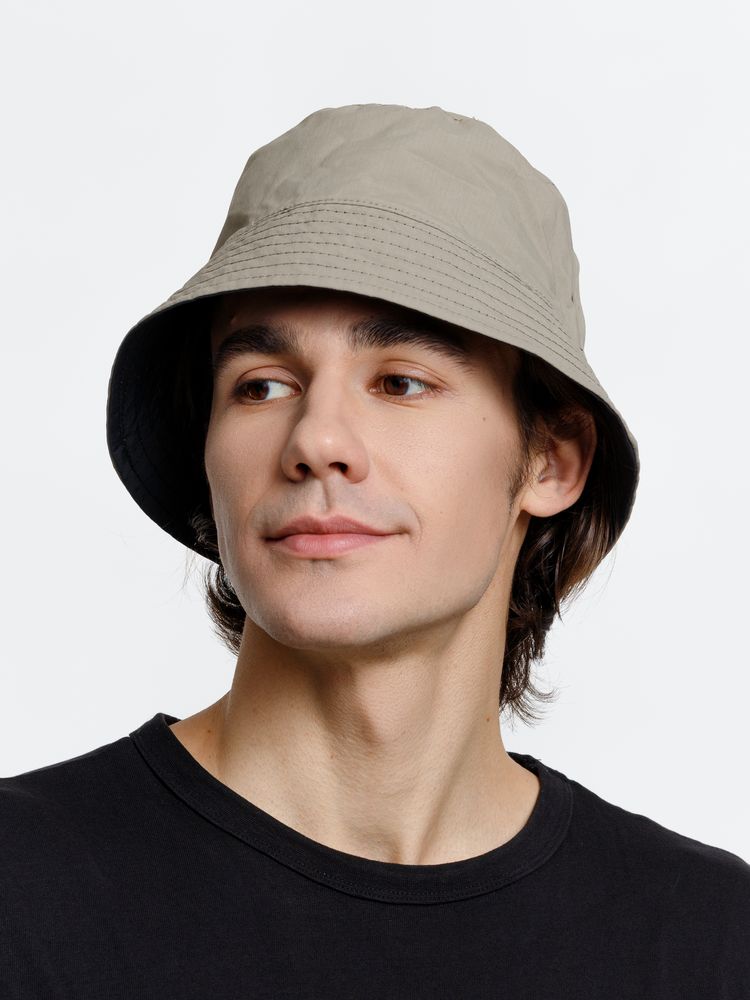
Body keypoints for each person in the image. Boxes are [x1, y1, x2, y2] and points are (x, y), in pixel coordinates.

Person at [2, 104, 747, 997]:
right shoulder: (23, 892)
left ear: (550, 460)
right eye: (261, 385)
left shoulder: (709, 942)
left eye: (400, 382)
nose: (316, 439)